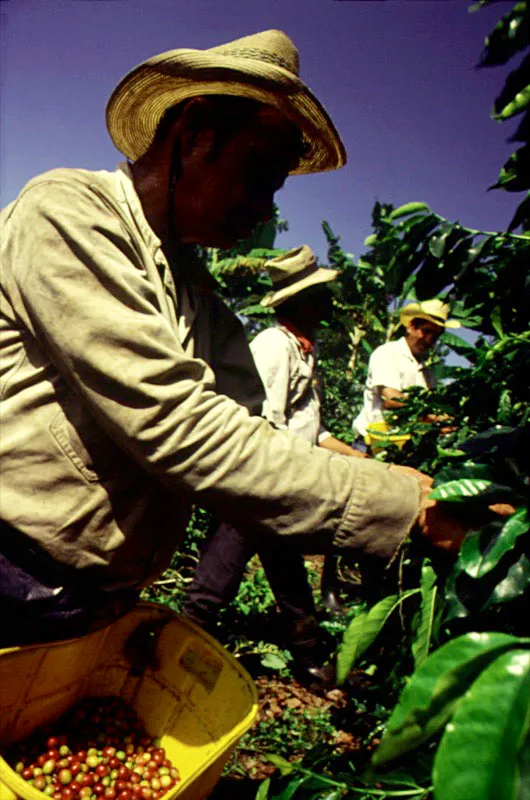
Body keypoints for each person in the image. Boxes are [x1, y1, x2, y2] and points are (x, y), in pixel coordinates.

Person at [0, 30, 463, 648]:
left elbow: (254, 433)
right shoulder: (68, 212)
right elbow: (179, 428)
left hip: (96, 592)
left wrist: (397, 483)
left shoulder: (200, 295)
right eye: (259, 174)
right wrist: (404, 509)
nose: (265, 207)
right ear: (195, 132)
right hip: (15, 571)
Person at [182, 245, 365, 684]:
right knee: (217, 578)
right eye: (319, 296)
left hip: (281, 481)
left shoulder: (304, 352)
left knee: (287, 573)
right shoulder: (274, 347)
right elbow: (267, 421)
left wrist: (359, 460)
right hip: (259, 479)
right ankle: (173, 651)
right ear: (299, 302)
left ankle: (308, 658)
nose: (328, 304)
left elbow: (312, 430)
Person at [352, 299, 461, 446]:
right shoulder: (388, 353)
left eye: (435, 336)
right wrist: (432, 416)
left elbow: (427, 411)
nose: (429, 340)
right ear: (411, 327)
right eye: (426, 331)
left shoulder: (427, 372)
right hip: (373, 442)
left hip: (403, 444)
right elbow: (391, 399)